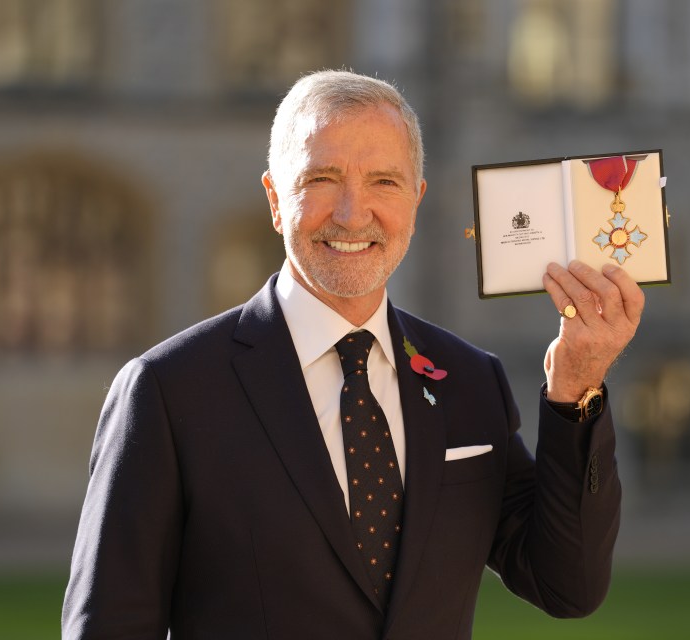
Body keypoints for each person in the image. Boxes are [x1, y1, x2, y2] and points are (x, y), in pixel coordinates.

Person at [62, 69, 644, 640]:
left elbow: (567, 585)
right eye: (321, 178)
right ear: (274, 197)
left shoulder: (470, 382)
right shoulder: (169, 391)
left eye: (383, 182)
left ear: (415, 201)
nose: (351, 213)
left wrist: (577, 388)